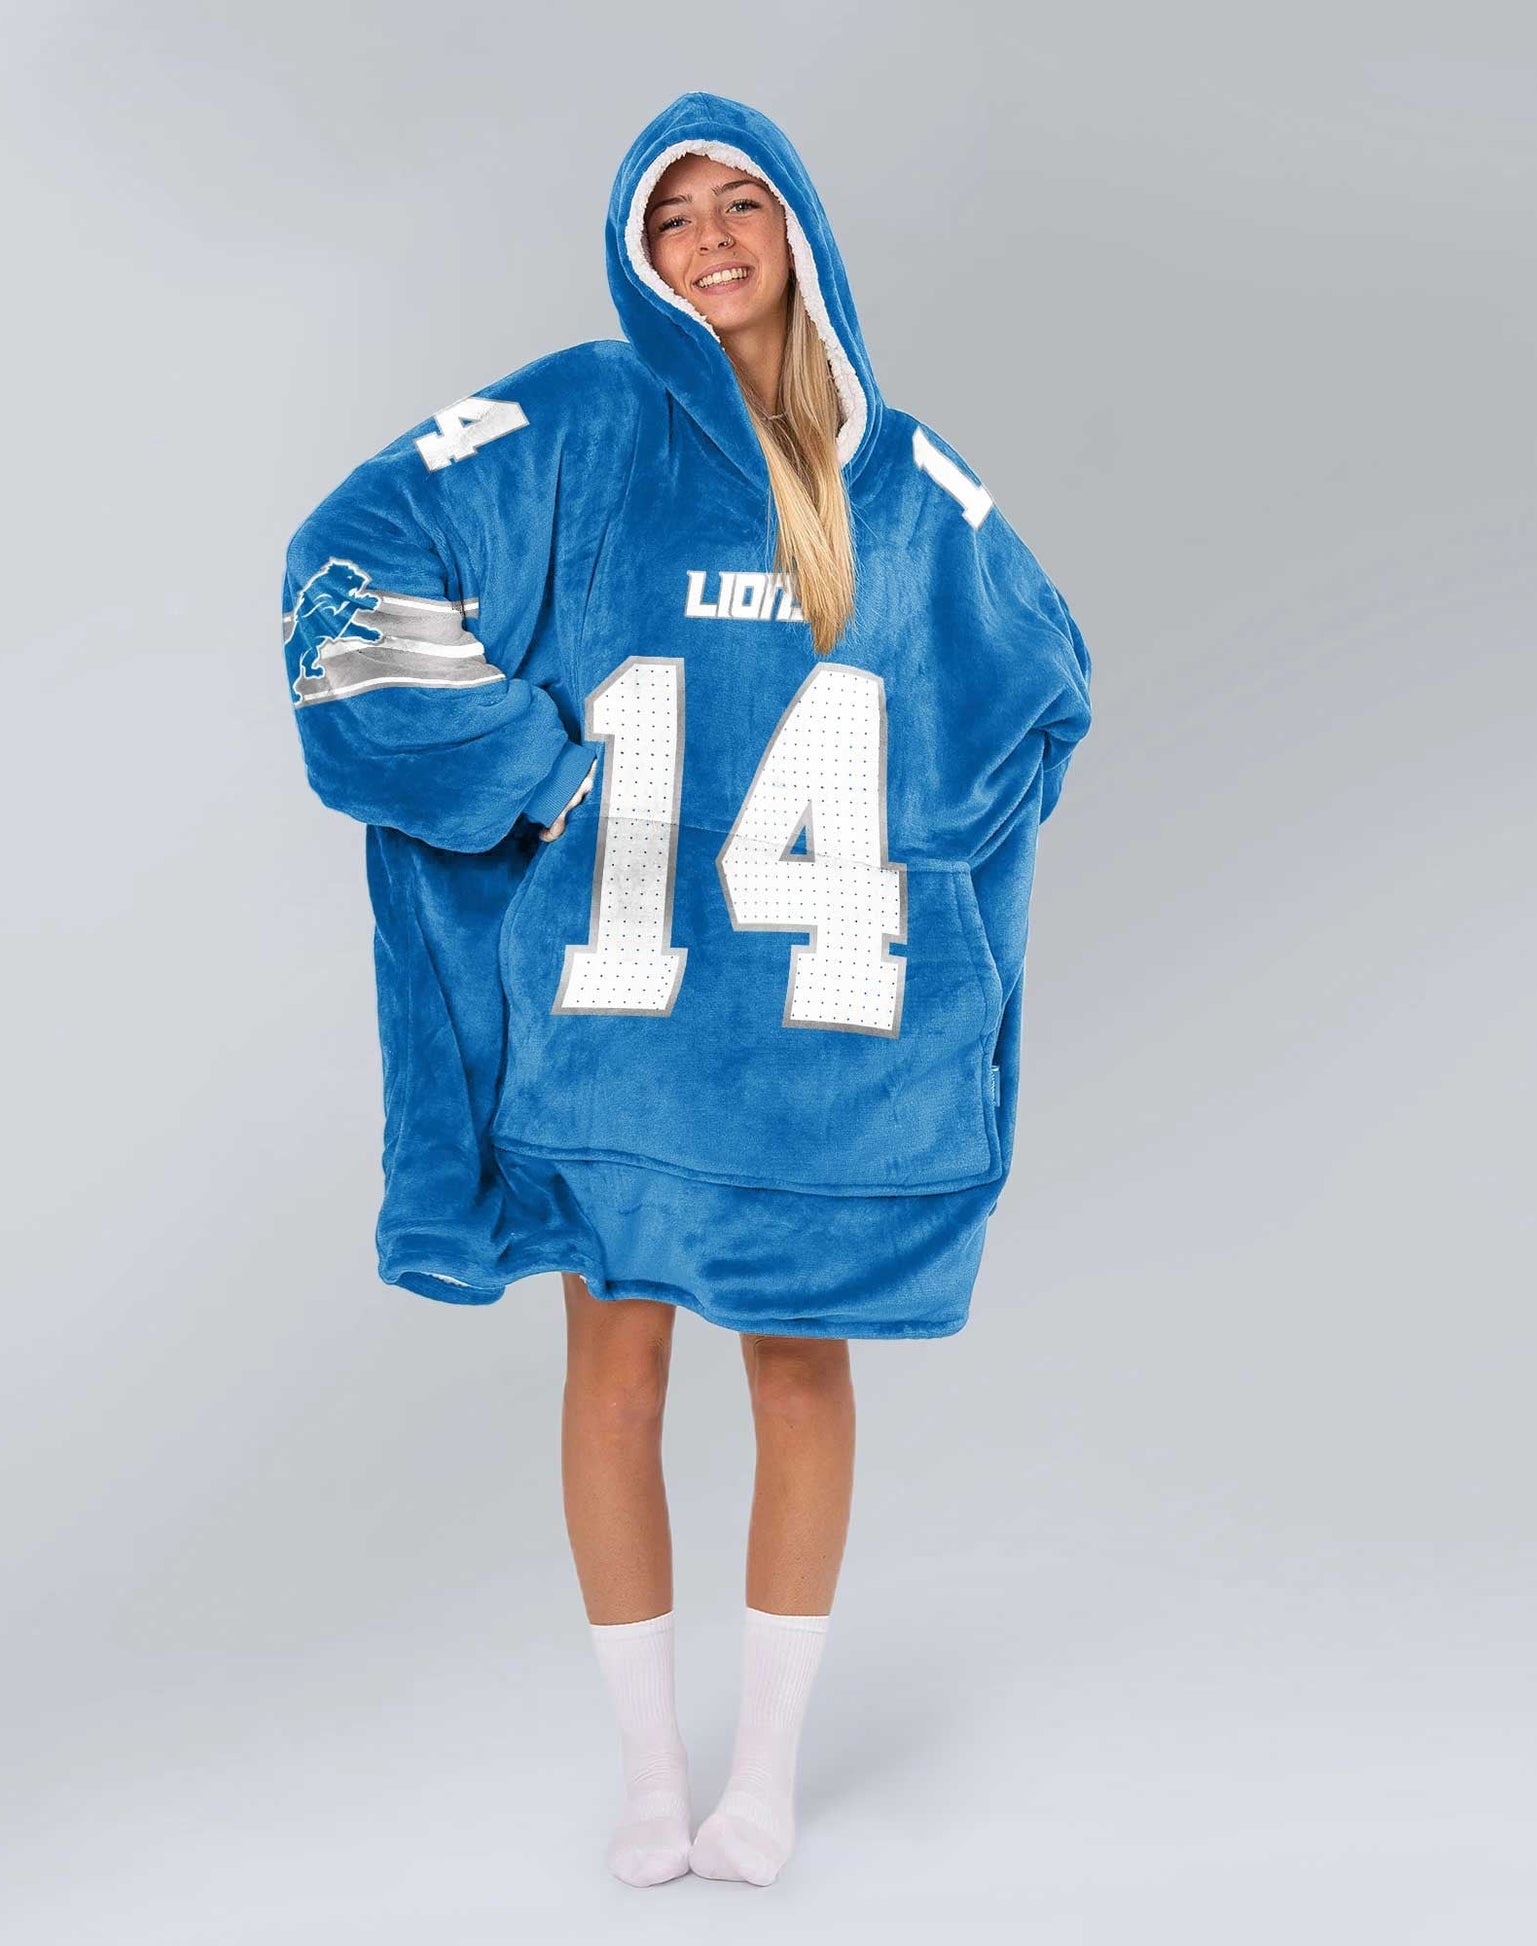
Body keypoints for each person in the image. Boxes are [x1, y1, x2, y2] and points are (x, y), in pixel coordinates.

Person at [279, 92, 1093, 1889]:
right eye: (674, 218)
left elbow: (1039, 685)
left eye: (740, 205)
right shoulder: (580, 418)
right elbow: (350, 557)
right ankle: (652, 1776)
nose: (710, 240)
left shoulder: (901, 477)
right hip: (619, 1012)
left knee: (797, 1369)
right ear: (636, 254)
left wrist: (923, 880)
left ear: (799, 226)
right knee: (615, 1361)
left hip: (806, 1041)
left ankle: (766, 1778)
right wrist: (516, 768)